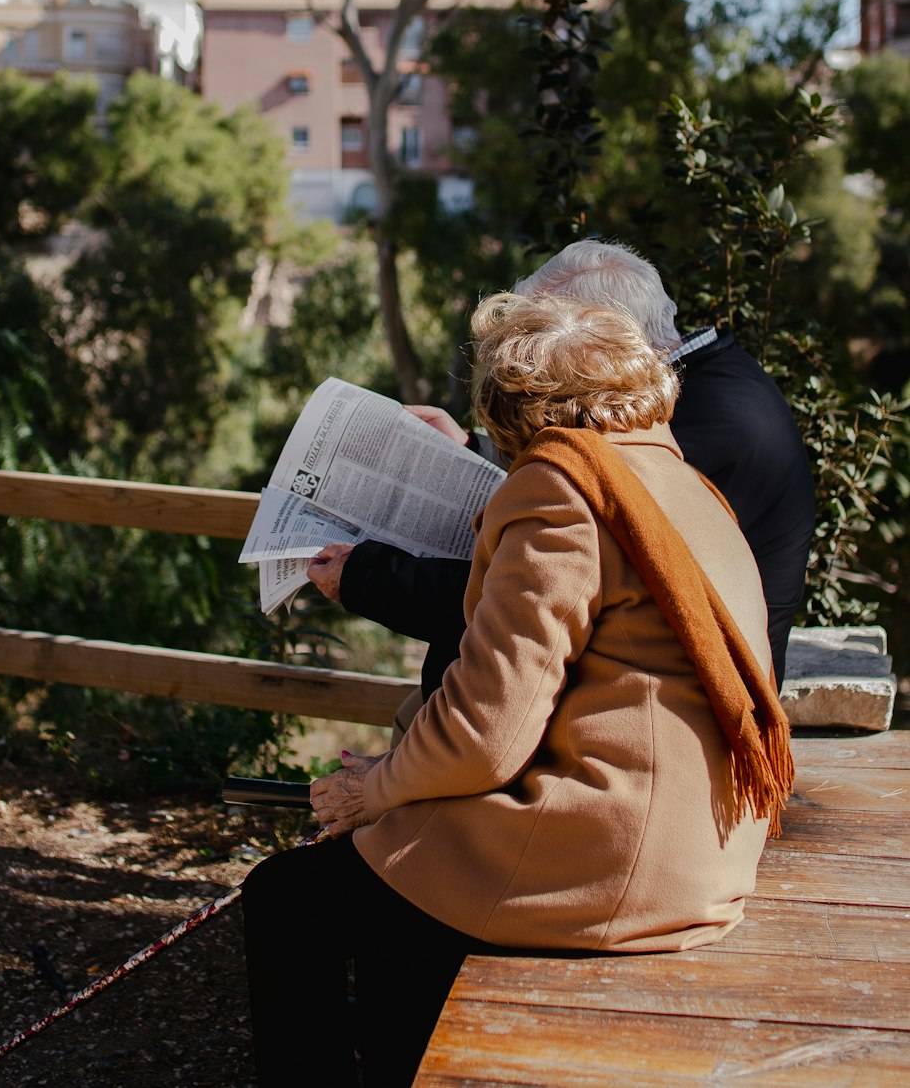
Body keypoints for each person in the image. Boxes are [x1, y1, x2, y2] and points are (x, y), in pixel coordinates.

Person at [241, 294, 793, 1088]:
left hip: (608, 855)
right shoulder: (681, 486)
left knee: (291, 898)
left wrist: (375, 790)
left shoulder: (561, 493)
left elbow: (487, 731)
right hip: (694, 847)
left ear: (511, 407)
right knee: (393, 882)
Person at [326, 240, 815, 694]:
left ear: (599, 340)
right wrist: (471, 450)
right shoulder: (692, 390)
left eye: (544, 343)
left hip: (671, 715)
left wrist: (367, 578)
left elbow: (531, 589)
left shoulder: (700, 426)